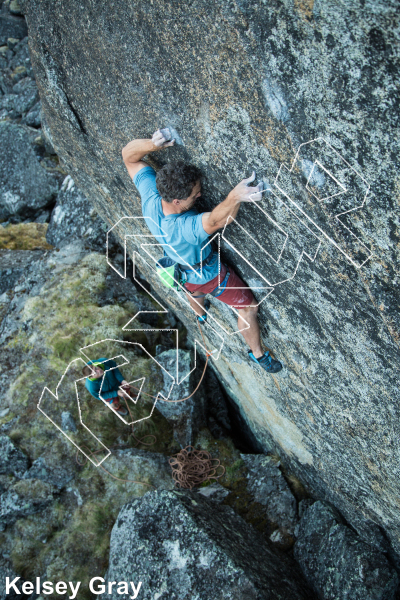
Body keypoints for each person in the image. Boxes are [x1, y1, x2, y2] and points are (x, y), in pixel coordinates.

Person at [121, 129, 282, 373]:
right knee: (248, 308)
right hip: (208, 275)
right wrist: (235, 197)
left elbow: (128, 156)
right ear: (178, 201)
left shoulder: (151, 196)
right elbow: (218, 220)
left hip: (179, 272)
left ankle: (201, 314)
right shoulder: (182, 227)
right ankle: (258, 354)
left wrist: (152, 145)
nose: (200, 195)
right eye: (195, 195)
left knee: (192, 290)